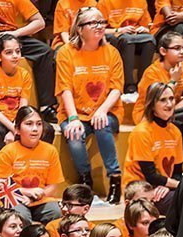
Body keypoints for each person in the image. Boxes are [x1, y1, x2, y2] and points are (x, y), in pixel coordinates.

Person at [56, 7, 124, 203]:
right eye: (93, 23)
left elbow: (117, 88)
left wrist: (102, 110)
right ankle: (86, 181)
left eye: (102, 22)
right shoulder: (66, 53)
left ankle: (115, 179)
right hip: (74, 111)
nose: (99, 26)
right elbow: (65, 88)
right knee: (74, 133)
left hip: (107, 110)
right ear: (79, 28)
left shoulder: (112, 52)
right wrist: (73, 118)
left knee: (102, 125)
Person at [123, 82, 183, 215]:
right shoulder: (142, 132)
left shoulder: (175, 131)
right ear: (152, 105)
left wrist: (168, 186)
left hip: (163, 188)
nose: (169, 104)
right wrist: (178, 186)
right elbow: (150, 176)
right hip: (141, 190)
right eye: (163, 100)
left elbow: (177, 172)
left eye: (171, 99)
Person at [0, 106, 62, 224]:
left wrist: (34, 198)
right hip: (15, 199)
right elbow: (2, 187)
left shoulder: (50, 150)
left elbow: (53, 186)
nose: (35, 129)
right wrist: (25, 193)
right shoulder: (7, 152)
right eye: (29, 124)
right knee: (21, 216)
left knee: (55, 212)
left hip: (40, 199)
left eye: (39, 124)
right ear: (17, 129)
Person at [98, 0, 154, 98]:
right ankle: (129, 86)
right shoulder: (104, 2)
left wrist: (144, 29)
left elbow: (147, 25)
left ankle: (143, 83)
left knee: (150, 40)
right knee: (128, 40)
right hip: (115, 35)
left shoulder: (141, 2)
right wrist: (119, 30)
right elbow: (99, 29)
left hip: (135, 34)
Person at [0, 34, 33, 151]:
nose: (15, 56)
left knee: (47, 129)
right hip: (1, 119)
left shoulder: (25, 75)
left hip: (16, 118)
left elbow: (23, 106)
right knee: (0, 131)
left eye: (17, 51)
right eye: (9, 53)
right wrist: (13, 129)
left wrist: (17, 125)